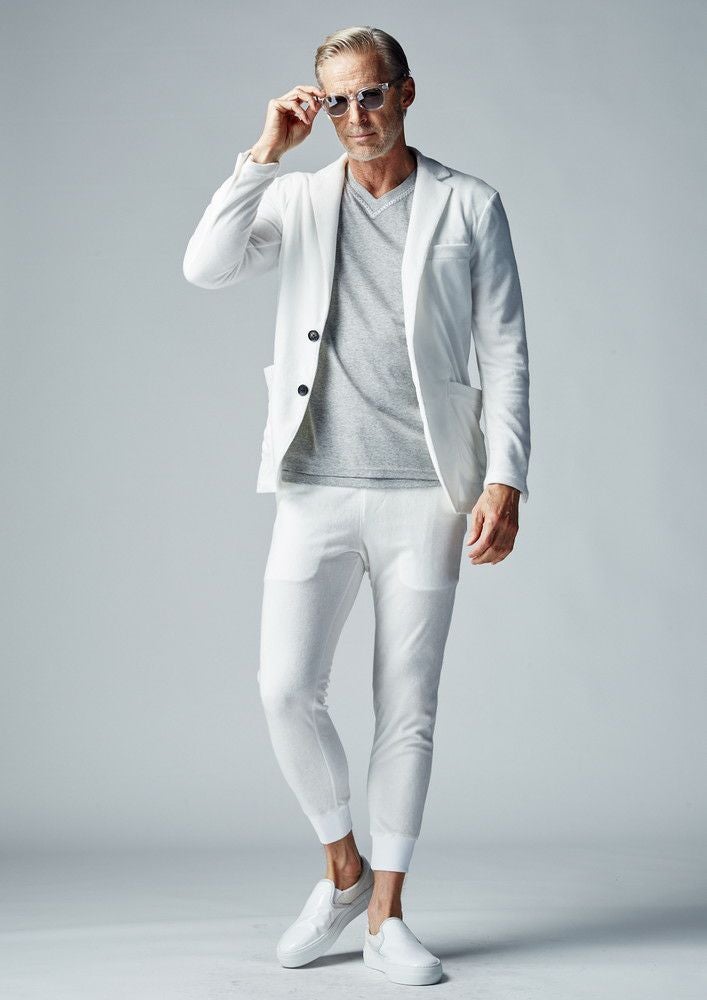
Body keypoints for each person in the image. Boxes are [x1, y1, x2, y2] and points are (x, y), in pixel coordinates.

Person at [183, 24, 530, 987]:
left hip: (427, 492)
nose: (355, 116)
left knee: (407, 706)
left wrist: (506, 477)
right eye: (336, 101)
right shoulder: (296, 197)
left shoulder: (468, 204)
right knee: (284, 688)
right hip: (314, 483)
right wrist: (264, 151)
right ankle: (344, 871)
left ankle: (386, 917)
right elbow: (206, 266)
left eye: (370, 95)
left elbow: (505, 348)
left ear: (406, 93)